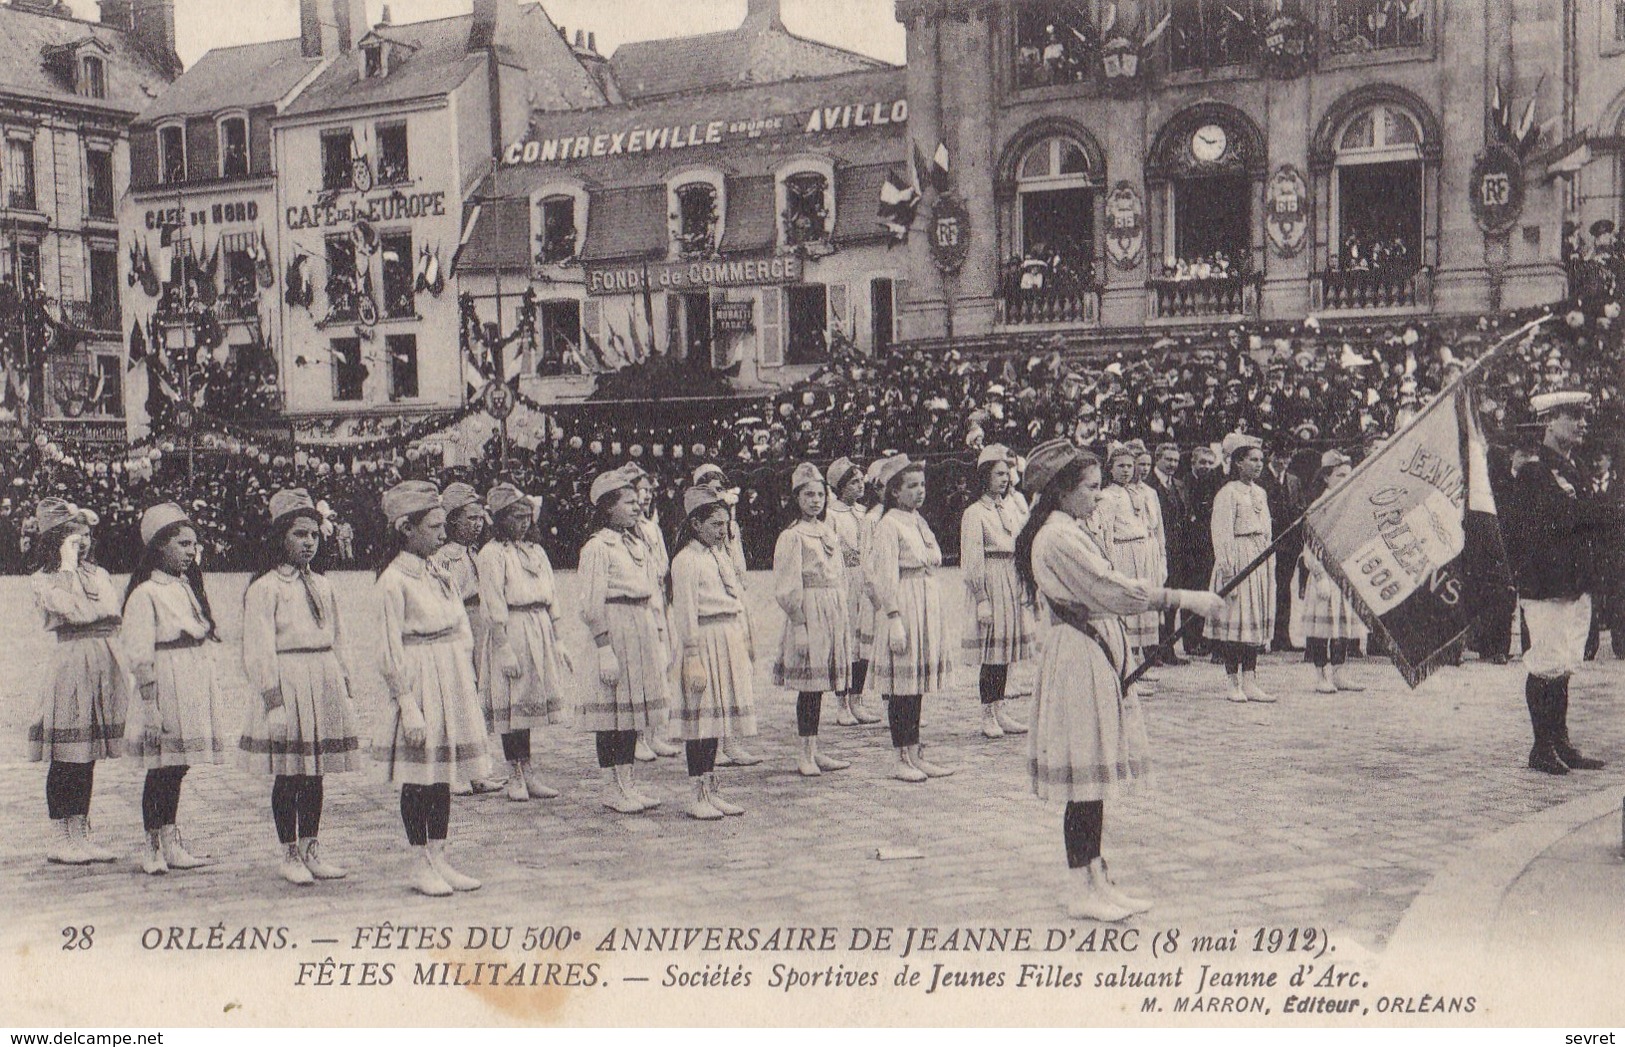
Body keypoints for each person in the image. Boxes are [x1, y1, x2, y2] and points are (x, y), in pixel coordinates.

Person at [1015, 439, 1225, 921]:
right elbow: (1111, 589)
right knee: (1084, 775)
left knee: (1097, 773)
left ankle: (1097, 878)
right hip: (1079, 656)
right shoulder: (1058, 537)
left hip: (1095, 647)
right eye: (1090, 488)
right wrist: (1185, 598)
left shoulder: (1071, 528)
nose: (1098, 495)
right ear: (1062, 492)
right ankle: (1079, 887)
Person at [237, 488, 360, 885]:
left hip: (321, 676)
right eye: (298, 535)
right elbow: (258, 649)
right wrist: (272, 701)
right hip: (288, 679)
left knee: (315, 771)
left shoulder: (323, 584)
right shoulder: (265, 588)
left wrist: (344, 682)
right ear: (280, 538)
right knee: (288, 771)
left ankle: (311, 846)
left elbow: (339, 637)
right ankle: (288, 851)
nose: (308, 542)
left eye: (313, 535)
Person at [372, 481, 488, 896]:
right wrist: (407, 702)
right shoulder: (393, 581)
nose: (443, 534)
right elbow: (388, 649)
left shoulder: (439, 570)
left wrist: (466, 676)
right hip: (419, 676)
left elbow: (460, 625)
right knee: (419, 775)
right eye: (434, 527)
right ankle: (418, 860)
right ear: (406, 528)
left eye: (444, 525)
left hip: (449, 673)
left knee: (442, 773)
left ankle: (440, 855)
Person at [1504, 391, 1608, 775]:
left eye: (1583, 416)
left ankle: (1560, 741)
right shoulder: (1535, 470)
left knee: (1563, 665)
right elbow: (1547, 525)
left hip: (1574, 581)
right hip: (1547, 584)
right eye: (1573, 416)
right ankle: (1541, 746)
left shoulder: (1572, 467)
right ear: (1549, 421)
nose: (1582, 423)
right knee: (1545, 664)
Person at [123, 502, 228, 875]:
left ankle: (171, 838)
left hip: (191, 679)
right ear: (159, 547)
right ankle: (152, 844)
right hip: (165, 683)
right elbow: (138, 653)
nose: (190, 552)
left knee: (178, 765)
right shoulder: (146, 593)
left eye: (193, 546)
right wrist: (150, 705)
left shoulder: (186, 588)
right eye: (183, 544)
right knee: (161, 767)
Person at [28, 498, 129, 865]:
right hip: (70, 662)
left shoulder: (98, 574)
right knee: (67, 754)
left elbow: (111, 612)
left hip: (101, 658)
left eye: (84, 535)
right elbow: (69, 609)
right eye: (72, 536)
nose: (82, 542)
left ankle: (81, 833)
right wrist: (67, 567)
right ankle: (60, 836)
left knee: (88, 754)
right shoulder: (43, 579)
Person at [579, 466, 670, 813]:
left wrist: (657, 632)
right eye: (628, 502)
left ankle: (628, 783)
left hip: (640, 627)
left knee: (632, 714)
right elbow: (590, 603)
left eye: (638, 501)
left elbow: (652, 590)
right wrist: (604, 649)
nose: (637, 508)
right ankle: (610, 787)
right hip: (615, 629)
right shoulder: (597, 548)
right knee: (611, 714)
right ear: (606, 507)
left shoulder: (637, 542)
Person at [477, 483, 571, 803]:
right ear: (501, 519)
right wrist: (503, 646)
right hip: (512, 627)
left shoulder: (536, 551)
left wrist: (558, 639)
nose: (523, 524)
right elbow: (492, 601)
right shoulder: (491, 554)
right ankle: (513, 771)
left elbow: (553, 595)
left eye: (527, 517)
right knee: (511, 702)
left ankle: (528, 769)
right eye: (516, 517)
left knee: (528, 703)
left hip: (538, 625)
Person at [867, 454, 955, 782]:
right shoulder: (888, 525)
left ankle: (916, 751)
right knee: (902, 684)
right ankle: (901, 755)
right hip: (904, 600)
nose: (920, 492)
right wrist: (893, 617)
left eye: (922, 485)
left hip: (924, 598)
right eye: (912, 486)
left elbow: (933, 556)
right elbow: (884, 576)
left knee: (916, 683)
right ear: (894, 491)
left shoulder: (917, 520)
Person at [669, 486, 754, 819]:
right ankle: (696, 793)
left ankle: (711, 787)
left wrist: (744, 637)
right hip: (703, 641)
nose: (723, 532)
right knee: (700, 721)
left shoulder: (720, 554)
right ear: (695, 524)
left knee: (717, 719)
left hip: (726, 637)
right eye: (716, 525)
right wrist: (691, 656)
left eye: (725, 525)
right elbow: (685, 611)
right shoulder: (686, 560)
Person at [773, 462, 854, 777]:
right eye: (808, 495)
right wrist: (799, 624)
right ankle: (804, 753)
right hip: (809, 610)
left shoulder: (827, 531)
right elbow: (787, 586)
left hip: (832, 609)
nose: (815, 500)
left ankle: (816, 749)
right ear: (797, 498)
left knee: (822, 686)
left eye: (820, 494)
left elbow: (841, 575)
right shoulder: (792, 536)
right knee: (809, 687)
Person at [434, 481, 505, 796]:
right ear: (452, 520)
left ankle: (479, 769)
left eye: (480, 518)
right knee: (458, 696)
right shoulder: (445, 557)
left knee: (479, 697)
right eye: (469, 518)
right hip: (460, 624)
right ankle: (454, 771)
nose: (477, 524)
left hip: (482, 625)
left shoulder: (477, 553)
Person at [960, 444, 1033, 739]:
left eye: (1007, 474)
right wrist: (981, 598)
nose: (1004, 479)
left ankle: (1000, 708)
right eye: (998, 474)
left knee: (1004, 650)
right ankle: (987, 713)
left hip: (1010, 577)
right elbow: (972, 558)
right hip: (991, 578)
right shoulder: (974, 513)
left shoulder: (1011, 507)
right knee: (991, 651)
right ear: (985, 477)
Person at [1207, 434, 1277, 703]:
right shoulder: (1228, 493)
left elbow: (1267, 530)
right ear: (1238, 462)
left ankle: (1251, 680)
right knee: (1236, 622)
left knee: (1253, 623)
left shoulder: (1260, 492)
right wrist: (1228, 570)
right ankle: (1232, 681)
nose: (1258, 465)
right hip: (1238, 558)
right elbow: (1221, 531)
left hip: (1259, 557)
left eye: (1261, 460)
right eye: (1252, 460)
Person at [1094, 443, 1164, 683]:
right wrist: (1111, 564)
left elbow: (1152, 527)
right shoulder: (1106, 496)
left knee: (1142, 610)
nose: (1126, 471)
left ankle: (1139, 666)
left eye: (1129, 466)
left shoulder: (1140, 493)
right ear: (1110, 469)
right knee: (1127, 610)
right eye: (1120, 466)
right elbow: (1106, 533)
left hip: (1143, 552)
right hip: (1123, 552)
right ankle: (1126, 669)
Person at [1297, 453, 1367, 694]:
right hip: (1324, 575)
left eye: (1349, 475)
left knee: (1343, 627)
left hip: (1344, 574)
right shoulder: (1320, 506)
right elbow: (1310, 547)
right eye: (1340, 475)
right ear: (1327, 477)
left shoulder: (1350, 506)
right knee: (1322, 629)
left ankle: (1339, 672)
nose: (1346, 480)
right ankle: (1320, 675)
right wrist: (1319, 576)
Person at [629, 469, 681, 762]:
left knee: (660, 664)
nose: (645, 496)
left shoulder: (652, 526)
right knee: (641, 667)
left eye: (649, 490)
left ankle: (654, 733)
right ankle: (637, 736)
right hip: (641, 603)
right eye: (640, 490)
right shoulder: (629, 530)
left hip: (657, 600)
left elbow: (662, 562)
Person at [825, 457, 879, 725]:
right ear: (841, 486)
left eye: (861, 481)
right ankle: (842, 702)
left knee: (863, 640)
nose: (860, 486)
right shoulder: (831, 515)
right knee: (845, 641)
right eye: (854, 481)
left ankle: (857, 698)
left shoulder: (864, 513)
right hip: (843, 580)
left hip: (863, 581)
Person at [1146, 443, 1191, 666]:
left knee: (1173, 601)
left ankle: (1169, 648)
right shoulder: (1148, 485)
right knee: (1157, 600)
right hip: (1157, 550)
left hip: (1177, 551)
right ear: (1158, 459)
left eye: (1175, 460)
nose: (1173, 464)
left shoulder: (1179, 486)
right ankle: (1152, 650)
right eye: (1168, 460)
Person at [1262, 437, 1305, 653]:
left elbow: (1300, 509)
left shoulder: (1294, 480)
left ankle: (1282, 636)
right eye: (1281, 457)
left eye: (1288, 457)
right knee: (1265, 589)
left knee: (1284, 589)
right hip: (1268, 544)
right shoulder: (1261, 479)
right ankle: (1261, 638)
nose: (1285, 462)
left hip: (1289, 545)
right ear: (1272, 456)